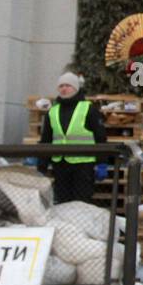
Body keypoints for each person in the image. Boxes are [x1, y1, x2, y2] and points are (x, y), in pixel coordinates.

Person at [38, 72, 106, 205]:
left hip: (83, 165)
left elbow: (100, 137)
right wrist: (42, 165)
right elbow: (46, 139)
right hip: (60, 164)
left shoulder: (88, 109)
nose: (64, 88)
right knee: (62, 203)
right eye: (61, 86)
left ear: (76, 88)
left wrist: (102, 163)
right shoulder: (53, 111)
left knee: (82, 203)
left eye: (68, 85)